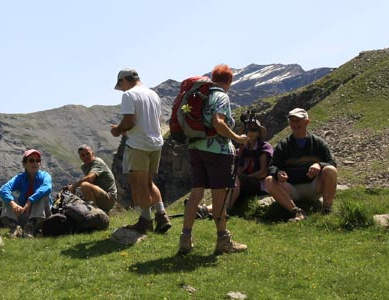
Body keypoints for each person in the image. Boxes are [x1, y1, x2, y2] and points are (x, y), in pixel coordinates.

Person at [178, 64, 249, 255]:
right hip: (217, 152)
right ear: (229, 81)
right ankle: (223, 240)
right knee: (219, 196)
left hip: (195, 148)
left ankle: (185, 238)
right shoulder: (221, 96)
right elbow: (218, 123)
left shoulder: (200, 95)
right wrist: (237, 138)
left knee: (196, 194)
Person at [110, 68, 171, 234]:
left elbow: (130, 121)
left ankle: (145, 221)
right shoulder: (153, 95)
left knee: (140, 183)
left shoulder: (129, 95)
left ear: (124, 80)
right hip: (156, 143)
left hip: (139, 144)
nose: (121, 89)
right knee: (149, 182)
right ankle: (161, 215)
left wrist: (117, 129)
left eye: (120, 85)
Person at [264, 108, 338, 222]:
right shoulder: (283, 145)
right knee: (269, 180)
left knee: (330, 170)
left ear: (307, 122)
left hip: (314, 187)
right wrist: (278, 172)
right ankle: (296, 211)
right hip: (292, 188)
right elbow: (272, 166)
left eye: (298, 120)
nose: (295, 124)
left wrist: (319, 165)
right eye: (292, 121)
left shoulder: (318, 142)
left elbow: (332, 162)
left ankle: (327, 209)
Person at [199, 119, 273, 217]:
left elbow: (263, 172)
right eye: (248, 130)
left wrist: (243, 178)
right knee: (228, 181)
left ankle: (224, 210)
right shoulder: (242, 149)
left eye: (253, 130)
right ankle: (206, 209)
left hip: (260, 183)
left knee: (236, 180)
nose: (250, 132)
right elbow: (238, 170)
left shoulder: (264, 147)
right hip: (243, 183)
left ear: (259, 133)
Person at [0, 149, 53, 238]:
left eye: (38, 161)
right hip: (24, 213)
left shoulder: (45, 175)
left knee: (43, 196)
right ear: (24, 164)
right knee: (9, 197)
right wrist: (12, 203)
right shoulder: (20, 178)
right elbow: (3, 189)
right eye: (31, 160)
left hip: (43, 215)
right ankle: (15, 227)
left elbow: (47, 187)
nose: (35, 163)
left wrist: (30, 200)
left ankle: (31, 227)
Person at [68, 144, 118, 212]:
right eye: (83, 155)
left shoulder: (97, 162)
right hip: (98, 194)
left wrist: (74, 186)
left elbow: (89, 179)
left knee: (85, 185)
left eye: (87, 154)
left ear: (93, 154)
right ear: (80, 157)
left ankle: (95, 212)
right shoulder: (84, 166)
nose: (86, 157)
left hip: (108, 198)